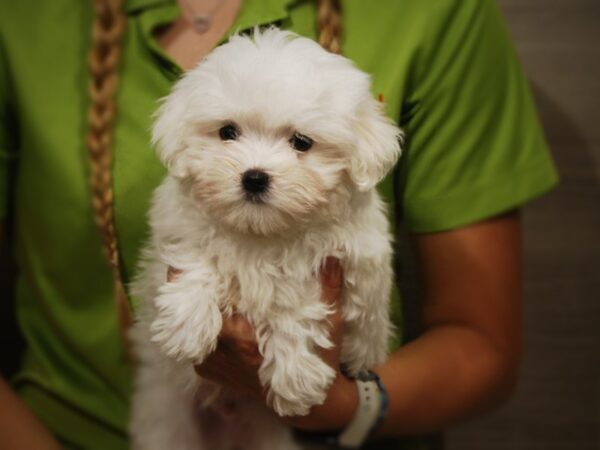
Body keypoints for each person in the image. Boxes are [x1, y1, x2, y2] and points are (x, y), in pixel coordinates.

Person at [0, 0, 558, 449]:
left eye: (298, 142)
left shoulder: (436, 12)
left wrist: (338, 405)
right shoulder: (25, 17)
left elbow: (482, 346)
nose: (255, 169)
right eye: (229, 135)